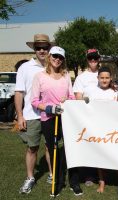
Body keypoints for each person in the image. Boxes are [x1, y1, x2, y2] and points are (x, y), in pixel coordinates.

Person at [31, 46, 82, 197]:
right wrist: (49, 108)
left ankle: (74, 182)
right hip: (49, 119)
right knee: (53, 150)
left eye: (60, 57)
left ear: (63, 60)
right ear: (49, 56)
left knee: (71, 150)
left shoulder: (66, 76)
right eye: (54, 56)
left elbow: (72, 97)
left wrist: (67, 100)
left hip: (66, 117)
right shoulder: (39, 76)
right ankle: (57, 183)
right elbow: (34, 101)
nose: (57, 59)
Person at [15, 34, 54, 194]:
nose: (42, 50)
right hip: (31, 115)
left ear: (49, 48)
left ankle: (52, 174)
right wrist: (20, 115)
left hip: (51, 114)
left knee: (50, 146)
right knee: (32, 148)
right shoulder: (25, 68)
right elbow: (19, 93)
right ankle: (30, 177)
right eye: (39, 48)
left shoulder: (54, 65)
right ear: (34, 49)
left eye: (45, 47)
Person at [83, 66, 118, 193]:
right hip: (96, 128)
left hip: (112, 129)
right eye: (102, 77)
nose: (104, 80)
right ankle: (102, 183)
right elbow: (82, 103)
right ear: (97, 78)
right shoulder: (90, 90)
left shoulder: (115, 91)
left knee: (115, 155)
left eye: (107, 78)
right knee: (99, 157)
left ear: (111, 78)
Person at [72, 48, 100, 186]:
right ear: (87, 60)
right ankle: (90, 174)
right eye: (90, 58)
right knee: (89, 145)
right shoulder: (81, 77)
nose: (93, 60)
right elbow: (78, 97)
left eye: (95, 58)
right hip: (88, 116)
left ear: (99, 59)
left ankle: (103, 174)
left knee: (102, 145)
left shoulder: (104, 74)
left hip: (104, 117)